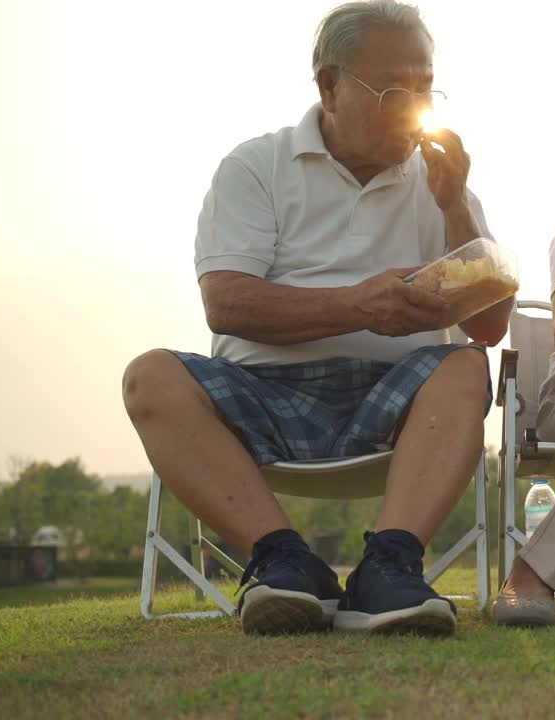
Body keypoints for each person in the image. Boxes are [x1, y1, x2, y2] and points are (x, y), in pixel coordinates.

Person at [121, 0, 512, 637]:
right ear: (328, 85)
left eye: (424, 86)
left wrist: (455, 211)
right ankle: (283, 561)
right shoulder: (257, 166)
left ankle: (390, 566)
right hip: (265, 395)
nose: (413, 106)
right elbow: (226, 303)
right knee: (149, 378)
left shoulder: (443, 183)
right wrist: (359, 305)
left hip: (400, 400)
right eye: (392, 88)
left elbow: (491, 327)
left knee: (467, 368)